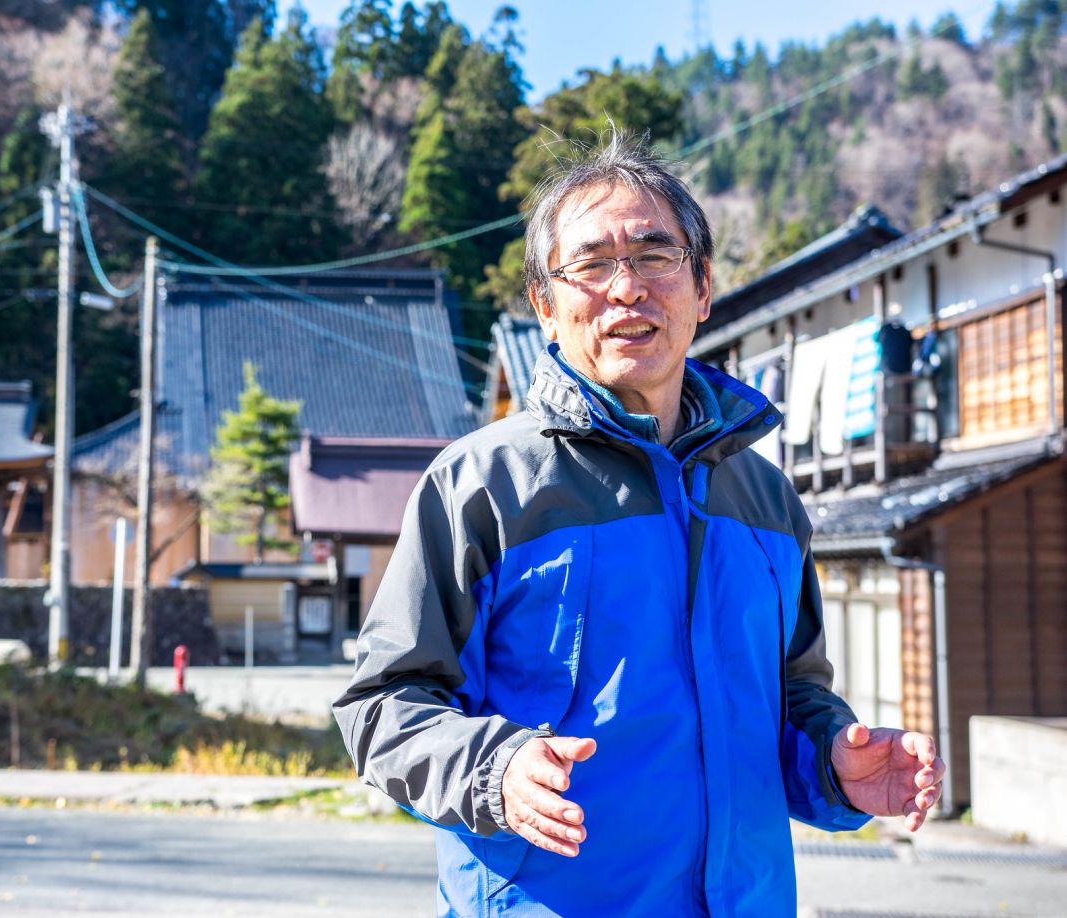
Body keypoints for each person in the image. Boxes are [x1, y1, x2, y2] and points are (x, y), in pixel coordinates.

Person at [332, 133, 945, 917]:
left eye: (656, 256)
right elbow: (383, 707)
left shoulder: (767, 500)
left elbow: (793, 695)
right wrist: (496, 768)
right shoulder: (481, 485)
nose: (627, 288)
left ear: (703, 287)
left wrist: (836, 763)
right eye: (591, 265)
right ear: (546, 308)